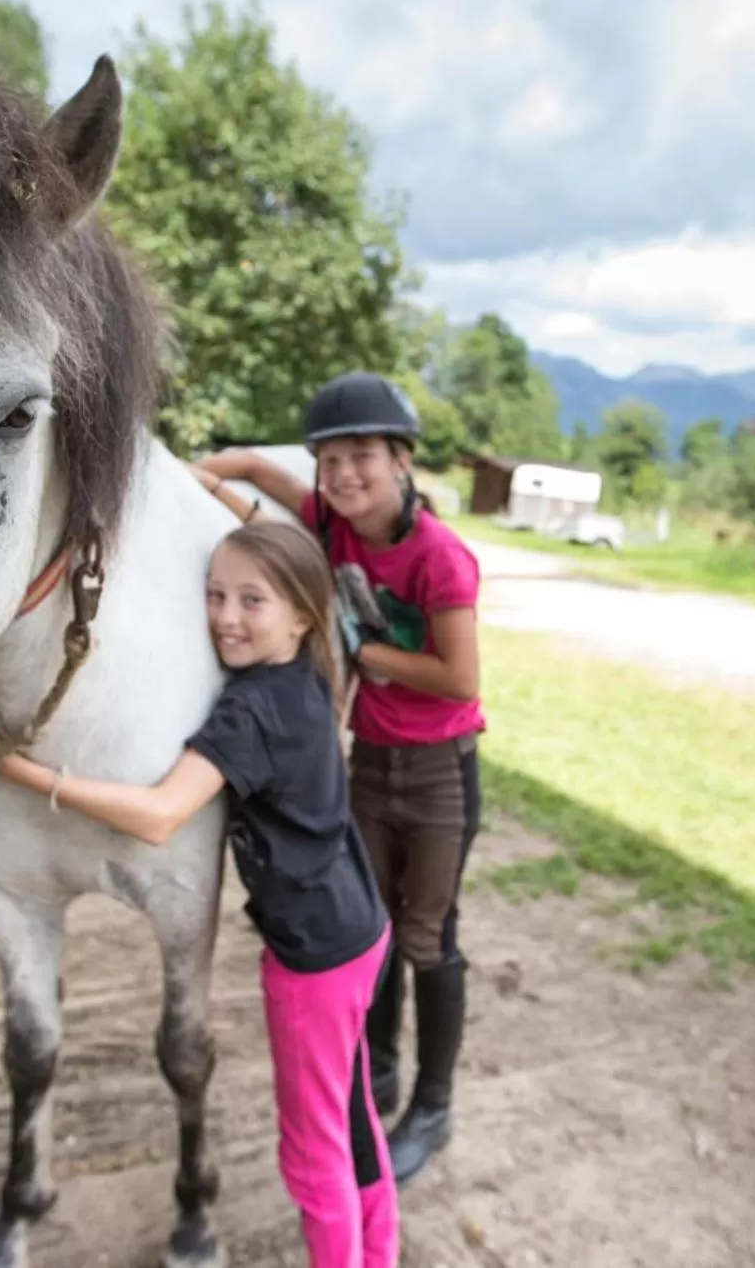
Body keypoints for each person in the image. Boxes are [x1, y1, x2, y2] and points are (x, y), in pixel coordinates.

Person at [0, 520, 399, 1268]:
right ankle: (381, 1249)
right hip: (360, 929)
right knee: (352, 1117)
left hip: (312, 963)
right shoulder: (308, 675)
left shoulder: (248, 713)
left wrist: (8, 762)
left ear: (303, 614)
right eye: (215, 594)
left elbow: (158, 816)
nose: (225, 616)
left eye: (252, 600)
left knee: (312, 1154)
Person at [195, 373, 484, 1186]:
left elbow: (460, 679)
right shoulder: (328, 516)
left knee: (428, 937)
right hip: (370, 761)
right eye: (329, 462)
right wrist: (206, 473)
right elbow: (256, 470)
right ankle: (381, 1068)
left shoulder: (439, 558)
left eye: (362, 457)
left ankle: (432, 1103)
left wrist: (357, 649)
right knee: (377, 925)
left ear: (402, 460)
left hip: (436, 774)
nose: (343, 476)